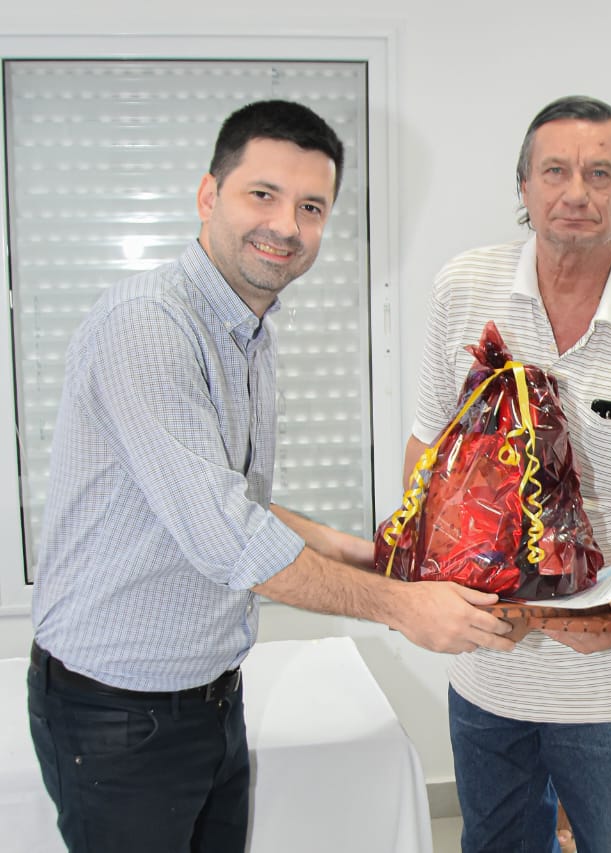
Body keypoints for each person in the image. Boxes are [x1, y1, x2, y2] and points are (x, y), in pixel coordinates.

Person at [27, 99, 515, 853]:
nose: (286, 225)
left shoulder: (247, 332)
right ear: (208, 195)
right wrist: (401, 606)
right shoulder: (148, 325)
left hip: (210, 698)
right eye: (263, 194)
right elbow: (228, 537)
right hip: (119, 715)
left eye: (311, 207)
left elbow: (235, 503)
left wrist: (370, 555)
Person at [403, 95, 611, 852]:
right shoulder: (463, 289)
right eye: (555, 170)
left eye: (600, 173)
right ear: (523, 185)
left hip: (609, 685)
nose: (576, 191)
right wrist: (438, 576)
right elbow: (427, 449)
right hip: (487, 665)